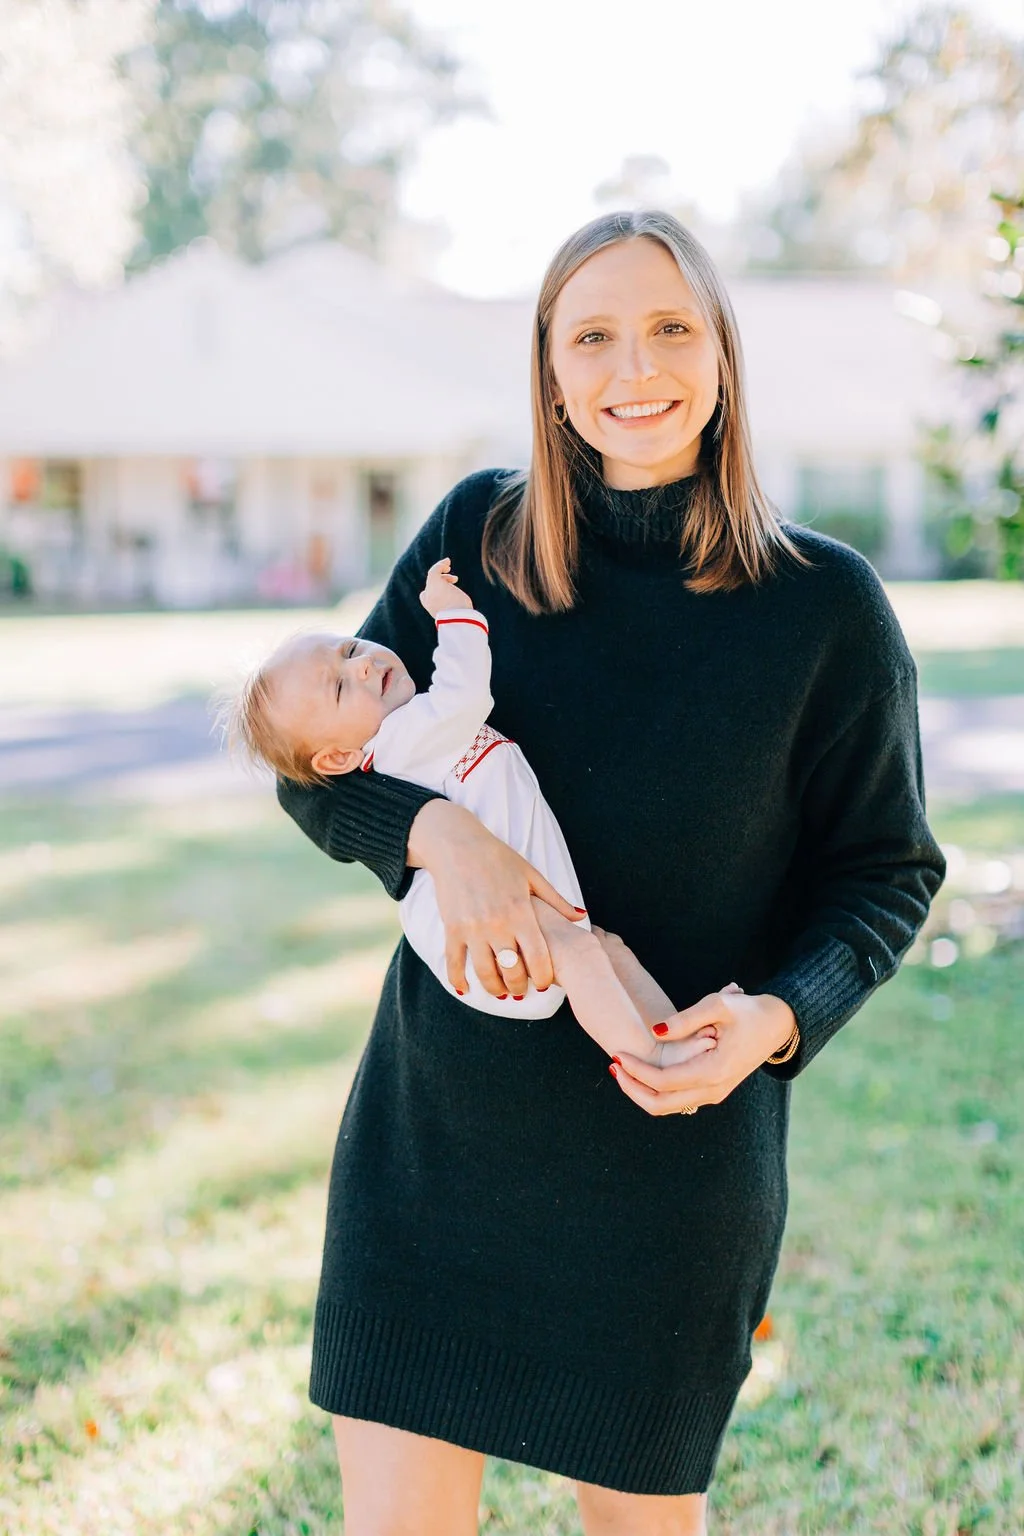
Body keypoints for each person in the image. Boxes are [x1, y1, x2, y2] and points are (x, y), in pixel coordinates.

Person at [276, 210, 945, 1536]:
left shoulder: (826, 607)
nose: (634, 365)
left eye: (670, 327)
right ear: (550, 370)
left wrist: (775, 1018)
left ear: (724, 356)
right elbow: (318, 760)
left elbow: (885, 871)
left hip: (669, 1165)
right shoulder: (477, 537)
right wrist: (434, 836)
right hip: (439, 1149)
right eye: (593, 335)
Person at [227, 553, 727, 1067]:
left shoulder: (399, 736)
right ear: (338, 758)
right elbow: (464, 691)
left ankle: (675, 1040)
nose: (362, 665)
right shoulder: (404, 738)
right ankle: (651, 1058)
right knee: (582, 955)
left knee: (602, 949)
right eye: (339, 687)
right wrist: (453, 614)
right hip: (469, 931)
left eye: (351, 649)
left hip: (485, 924)